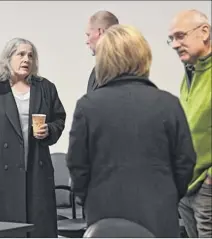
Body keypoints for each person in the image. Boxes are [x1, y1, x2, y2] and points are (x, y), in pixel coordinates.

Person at [66, 24, 196, 237]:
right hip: (158, 214)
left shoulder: (88, 106)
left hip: (103, 216)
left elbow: (77, 166)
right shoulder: (168, 104)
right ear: (144, 56)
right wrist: (167, 194)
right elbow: (186, 162)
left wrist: (89, 198)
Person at [0, 37, 66, 237]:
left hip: (37, 173)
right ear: (8, 58)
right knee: (7, 232)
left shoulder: (45, 88)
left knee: (40, 231)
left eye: (30, 55)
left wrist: (49, 130)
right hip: (3, 175)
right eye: (20, 54)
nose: (26, 59)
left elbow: (59, 119)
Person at [168, 9, 212, 238]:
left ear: (204, 32)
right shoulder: (190, 74)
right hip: (186, 185)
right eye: (172, 39)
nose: (175, 44)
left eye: (180, 36)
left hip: (206, 188)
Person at [85, 10, 119, 93]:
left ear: (100, 32)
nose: (87, 41)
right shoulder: (130, 66)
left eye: (89, 35)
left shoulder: (113, 69)